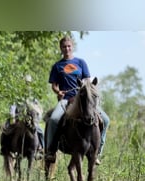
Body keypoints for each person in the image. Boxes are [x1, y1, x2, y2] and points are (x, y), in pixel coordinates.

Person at [45, 36, 110, 165]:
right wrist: (58, 92)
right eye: (64, 47)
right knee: (53, 119)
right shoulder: (57, 66)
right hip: (67, 100)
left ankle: (97, 152)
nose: (67, 49)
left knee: (106, 120)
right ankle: (50, 151)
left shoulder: (81, 62)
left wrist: (85, 89)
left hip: (83, 99)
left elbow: (87, 80)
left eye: (69, 46)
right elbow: (54, 85)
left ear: (72, 47)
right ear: (61, 48)